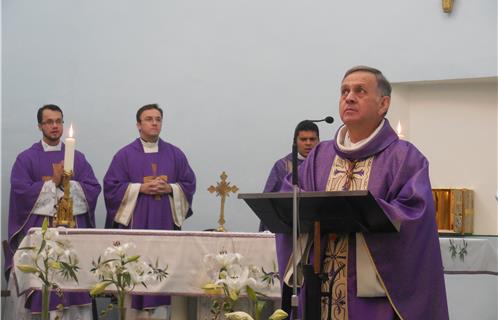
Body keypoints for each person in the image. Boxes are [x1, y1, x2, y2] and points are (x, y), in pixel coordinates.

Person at [282, 66, 449, 319]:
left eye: (360, 91)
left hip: (372, 298)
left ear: (383, 104)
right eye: (344, 91)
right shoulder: (320, 156)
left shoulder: (404, 157)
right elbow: (289, 202)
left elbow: (415, 215)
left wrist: (365, 211)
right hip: (320, 286)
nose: (349, 97)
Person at [5, 104, 101, 319]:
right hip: (40, 235)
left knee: (73, 279)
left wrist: (70, 185)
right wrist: (54, 183)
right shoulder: (26, 158)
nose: (55, 126)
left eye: (59, 121)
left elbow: (93, 189)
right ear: (40, 126)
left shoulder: (79, 158)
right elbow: (20, 194)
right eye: (49, 122)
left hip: (71, 236)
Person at [103, 103, 196, 319]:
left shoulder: (175, 154)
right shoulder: (124, 155)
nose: (154, 123)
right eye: (149, 119)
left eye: (158, 119)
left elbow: (189, 183)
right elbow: (111, 188)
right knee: (136, 272)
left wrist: (171, 188)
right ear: (138, 125)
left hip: (164, 225)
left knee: (161, 271)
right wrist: (139, 188)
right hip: (137, 226)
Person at [260, 120, 319, 316]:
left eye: (312, 139)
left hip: (316, 235)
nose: (308, 143)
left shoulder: (324, 164)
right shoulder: (283, 166)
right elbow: (269, 198)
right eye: (304, 139)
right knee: (289, 280)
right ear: (295, 142)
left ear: (319, 141)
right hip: (288, 236)